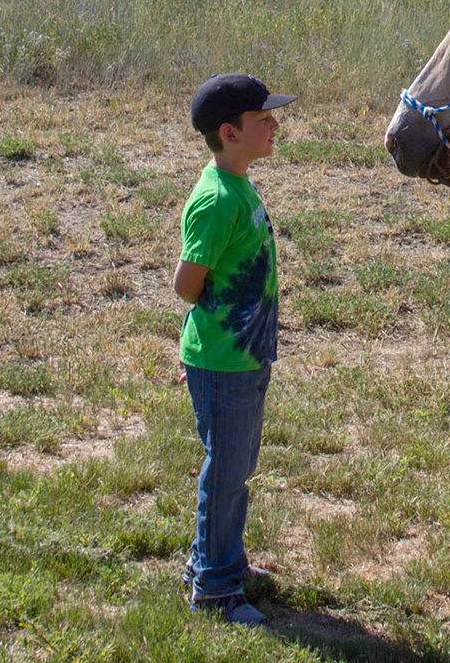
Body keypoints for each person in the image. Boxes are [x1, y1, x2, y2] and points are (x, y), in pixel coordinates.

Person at [175, 72, 295, 624]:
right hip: (223, 361)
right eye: (263, 118)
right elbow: (186, 284)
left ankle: (217, 559)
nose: (275, 125)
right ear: (230, 132)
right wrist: (205, 350)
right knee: (225, 476)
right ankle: (215, 589)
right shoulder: (217, 200)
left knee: (235, 468)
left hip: (244, 357)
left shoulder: (238, 184)